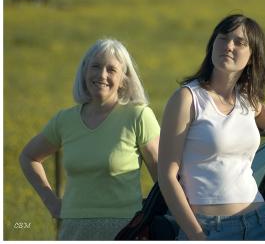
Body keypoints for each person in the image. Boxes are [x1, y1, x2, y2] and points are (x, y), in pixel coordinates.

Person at [158, 14, 265, 240]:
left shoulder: (247, 99)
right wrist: (197, 235)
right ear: (212, 44)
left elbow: (262, 112)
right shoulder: (187, 98)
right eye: (223, 38)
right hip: (207, 228)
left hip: (258, 222)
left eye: (239, 42)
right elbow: (167, 176)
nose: (228, 46)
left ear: (252, 56)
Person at [19, 38, 160, 240]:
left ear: (124, 79)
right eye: (95, 66)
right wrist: (50, 201)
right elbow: (28, 157)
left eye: (111, 69)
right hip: (73, 231)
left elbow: (165, 177)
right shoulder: (64, 120)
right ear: (84, 71)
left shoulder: (138, 116)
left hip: (126, 230)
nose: (102, 75)